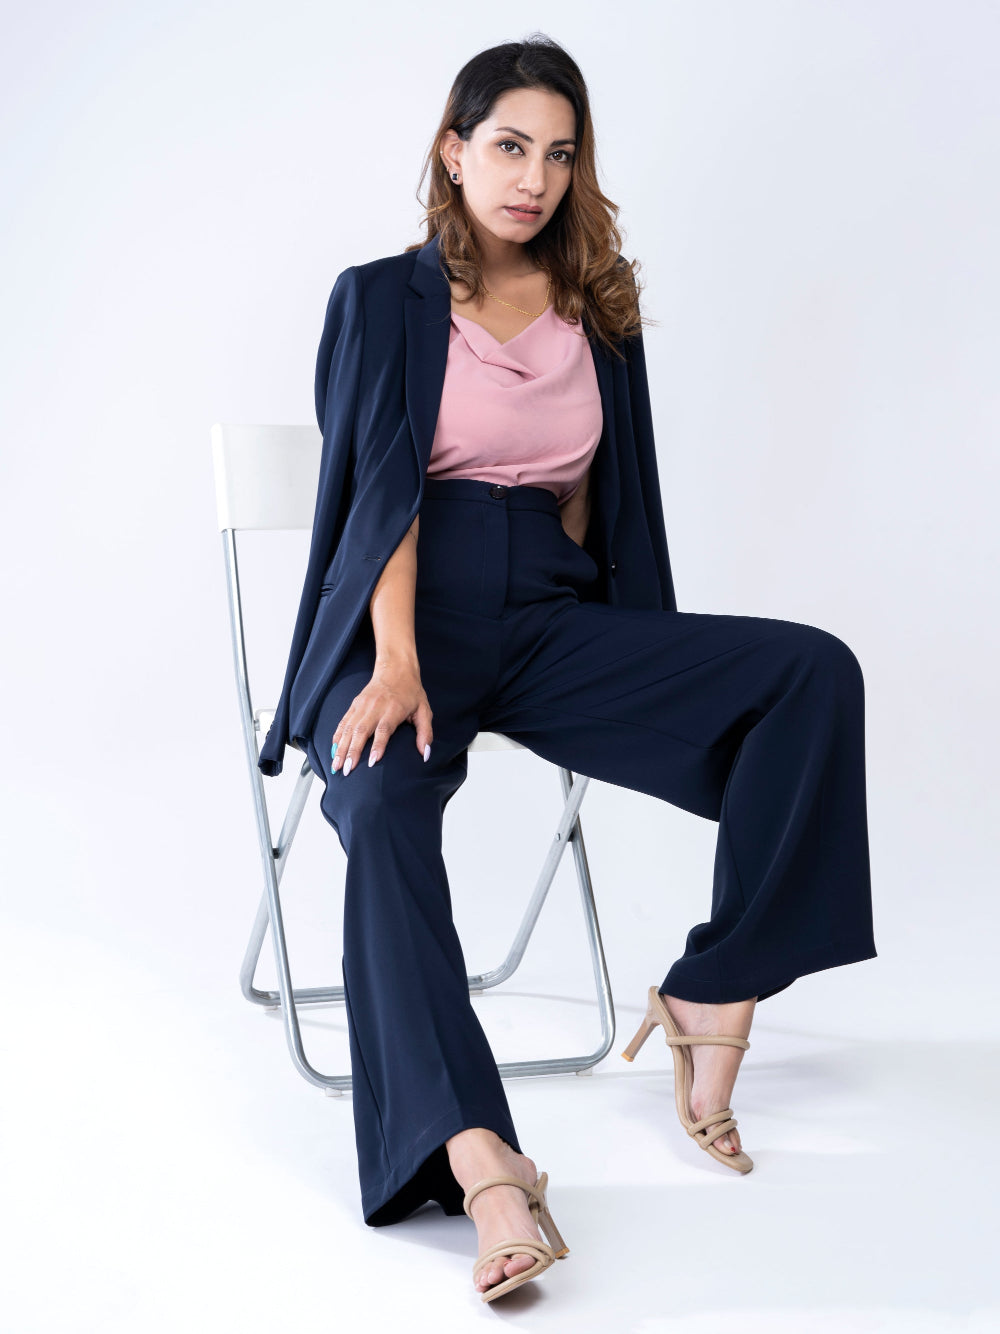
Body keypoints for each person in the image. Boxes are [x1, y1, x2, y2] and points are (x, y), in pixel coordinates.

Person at [259, 34, 877, 1304]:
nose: (531, 177)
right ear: (452, 150)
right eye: (506, 146)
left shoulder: (598, 310)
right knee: (380, 803)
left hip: (544, 617)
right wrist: (395, 660)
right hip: (400, 620)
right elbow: (380, 490)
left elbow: (607, 504)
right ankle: (481, 1159)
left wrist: (637, 662)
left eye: (557, 152)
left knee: (809, 675)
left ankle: (716, 986)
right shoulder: (378, 299)